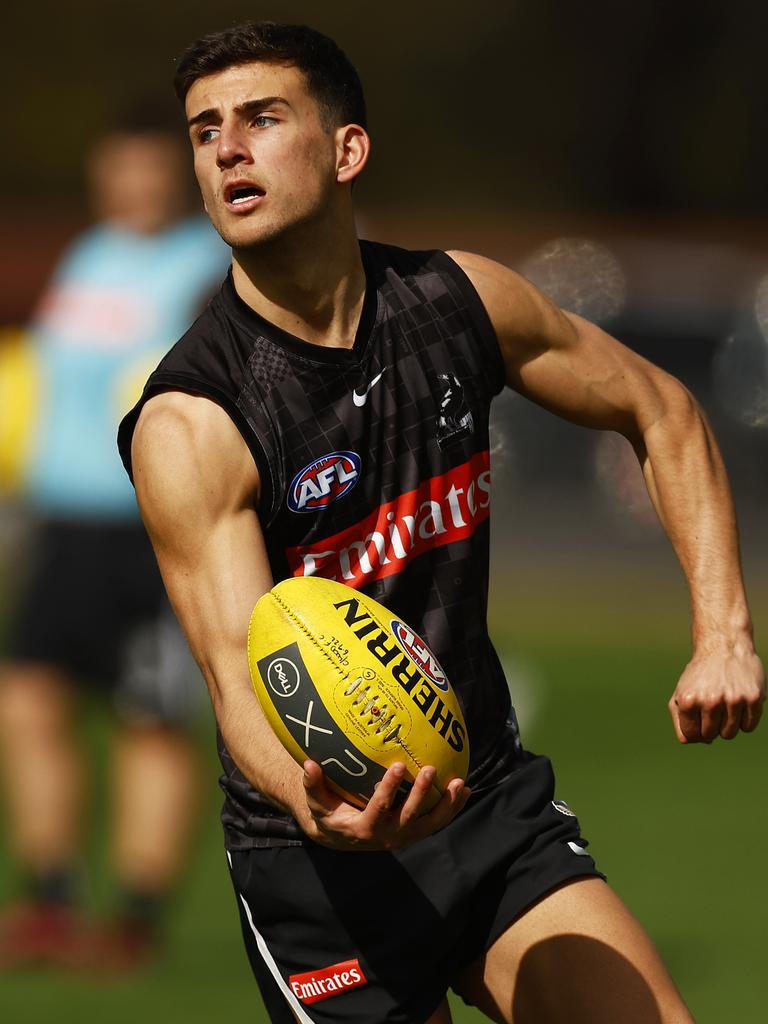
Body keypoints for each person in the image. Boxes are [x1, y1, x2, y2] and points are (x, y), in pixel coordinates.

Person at [117, 22, 765, 1023]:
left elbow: (662, 409)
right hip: (322, 862)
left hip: (489, 799)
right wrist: (312, 797)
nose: (227, 149)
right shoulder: (194, 421)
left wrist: (723, 633)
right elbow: (238, 671)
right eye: (206, 131)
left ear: (346, 151)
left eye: (262, 118)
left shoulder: (458, 302)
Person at [0, 104, 229, 971]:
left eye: (149, 169)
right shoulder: (88, 256)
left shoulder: (210, 266)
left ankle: (132, 923)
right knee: (27, 702)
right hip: (62, 523)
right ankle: (51, 901)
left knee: (150, 720)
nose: (132, 185)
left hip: (152, 531)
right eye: (118, 169)